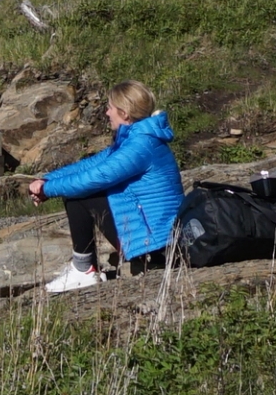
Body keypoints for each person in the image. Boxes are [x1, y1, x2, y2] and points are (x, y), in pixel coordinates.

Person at [25, 82, 179, 291]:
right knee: (78, 189)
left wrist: (46, 190)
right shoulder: (137, 138)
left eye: (110, 108)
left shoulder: (141, 145)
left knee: (82, 194)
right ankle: (84, 268)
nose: (107, 113)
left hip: (154, 244)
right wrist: (46, 180)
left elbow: (95, 177)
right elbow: (91, 164)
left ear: (124, 113)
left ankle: (84, 270)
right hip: (153, 237)